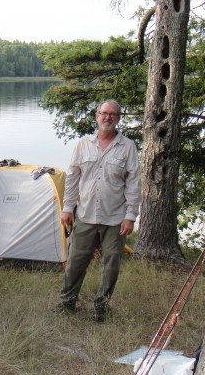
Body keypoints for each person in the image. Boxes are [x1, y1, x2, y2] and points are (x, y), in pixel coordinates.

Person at [54, 99, 141, 321]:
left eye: (112, 114)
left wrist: (130, 216)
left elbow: (133, 184)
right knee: (75, 261)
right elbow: (72, 179)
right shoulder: (82, 144)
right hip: (85, 215)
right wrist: (67, 208)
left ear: (118, 119)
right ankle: (67, 302)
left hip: (115, 218)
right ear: (97, 116)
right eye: (104, 113)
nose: (107, 118)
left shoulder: (128, 147)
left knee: (111, 265)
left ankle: (101, 306)